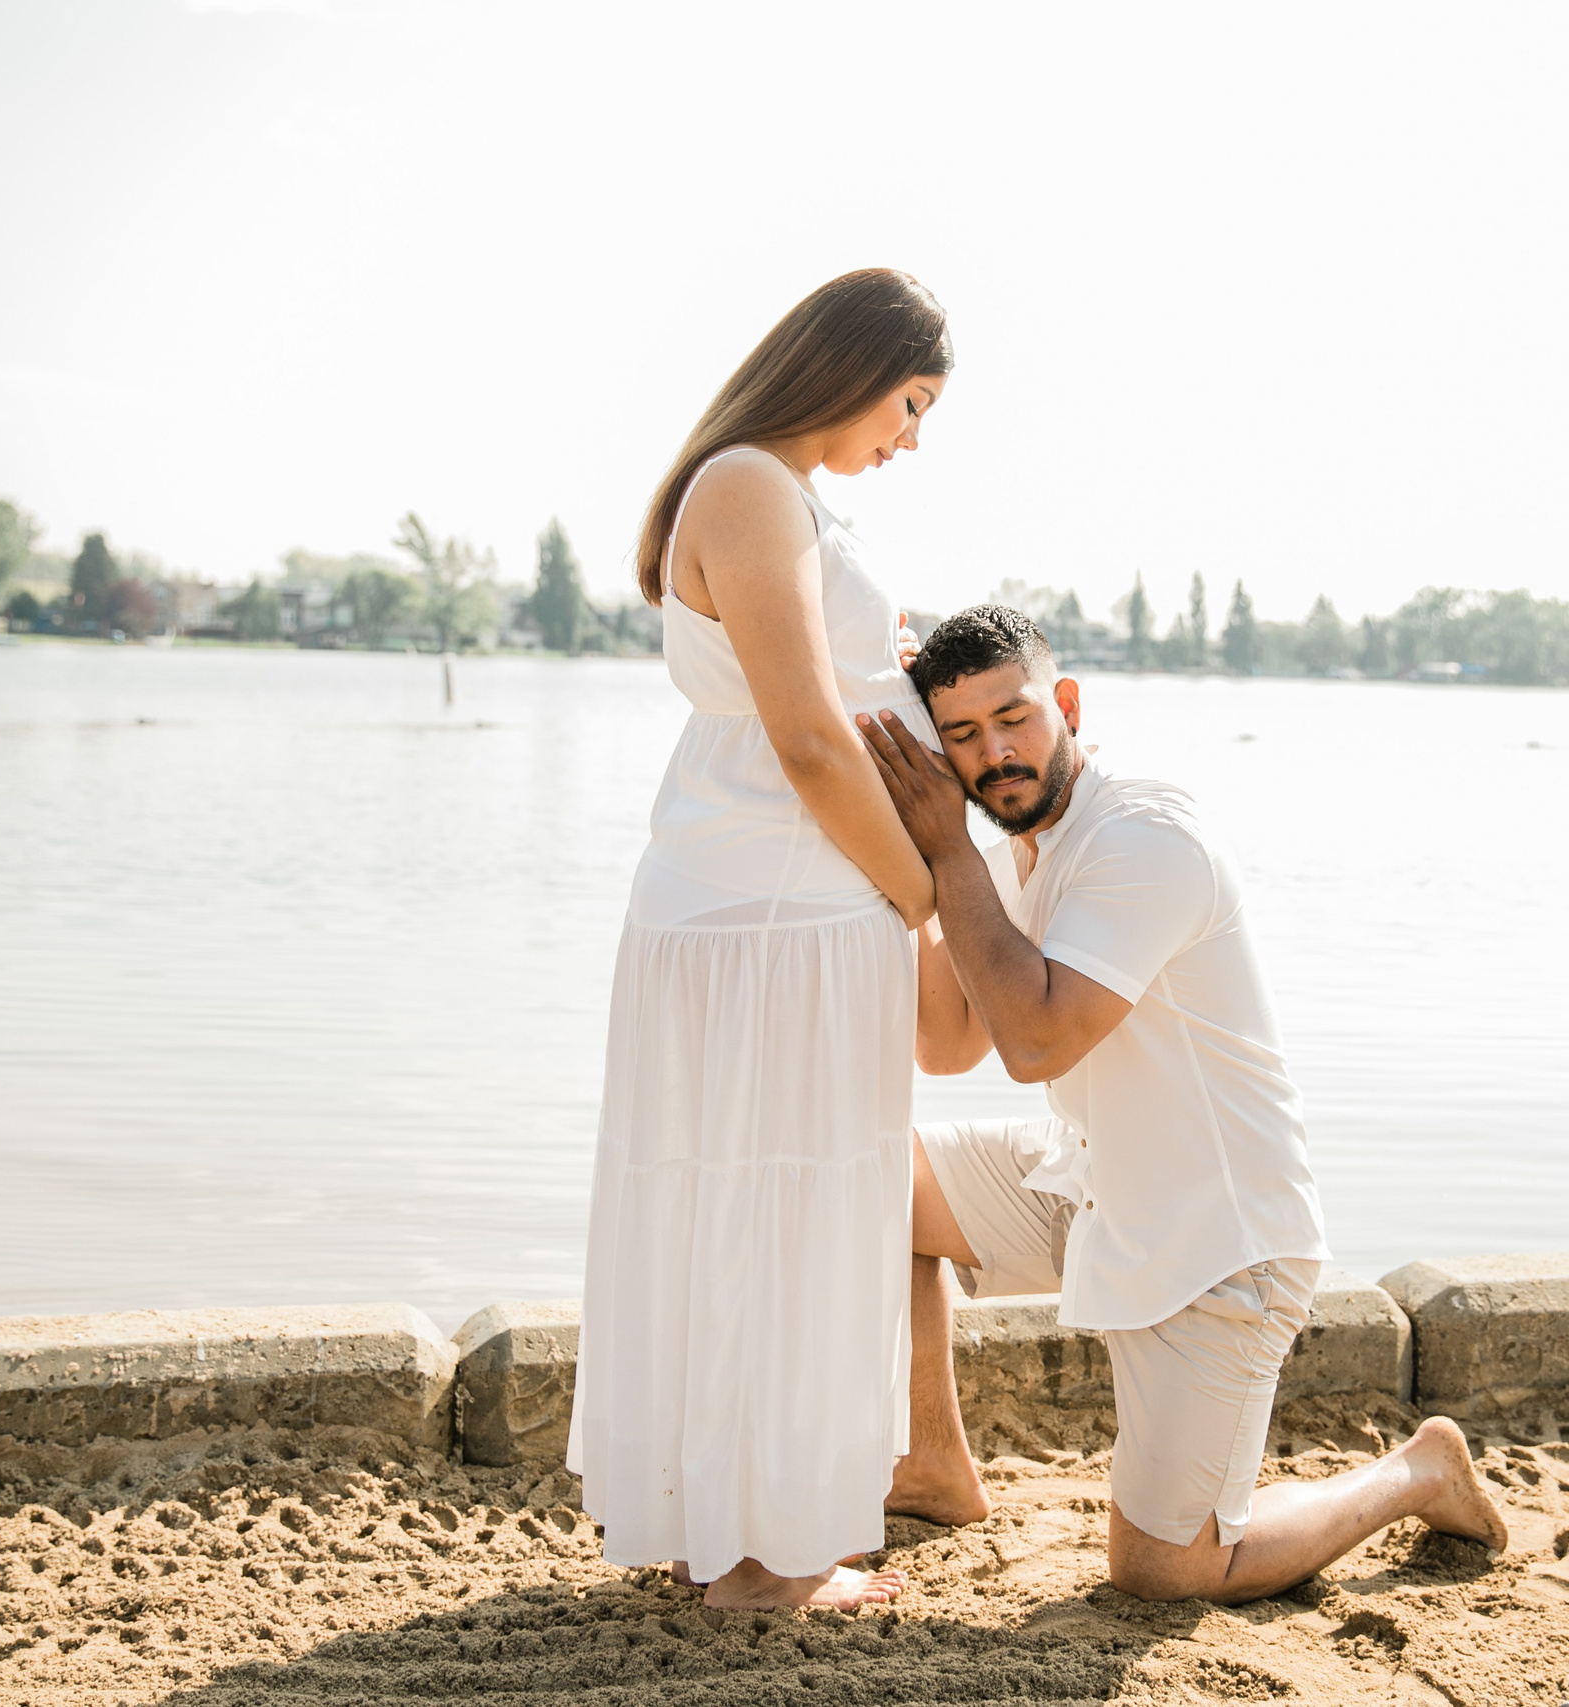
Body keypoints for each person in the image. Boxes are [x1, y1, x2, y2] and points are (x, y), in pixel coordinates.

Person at [858, 605, 1510, 1604]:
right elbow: (948, 1044)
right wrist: (916, 856)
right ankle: (932, 1469)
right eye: (961, 735)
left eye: (1014, 718)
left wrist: (946, 854)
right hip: (1092, 1181)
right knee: (867, 1176)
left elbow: (1035, 1041)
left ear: (1066, 703)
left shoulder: (1143, 836)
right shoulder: (1009, 841)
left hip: (1218, 1243)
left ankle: (1412, 1471)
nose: (995, 754)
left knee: (1166, 1573)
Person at [567, 269, 952, 1611]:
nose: (911, 438)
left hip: (749, 903)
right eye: (910, 403)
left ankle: (724, 1527)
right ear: (851, 368)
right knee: (791, 1212)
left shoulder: (765, 491)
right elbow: (803, 735)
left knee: (738, 1205)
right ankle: (770, 1560)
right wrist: (922, 888)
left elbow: (817, 710)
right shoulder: (751, 486)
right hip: (785, 914)